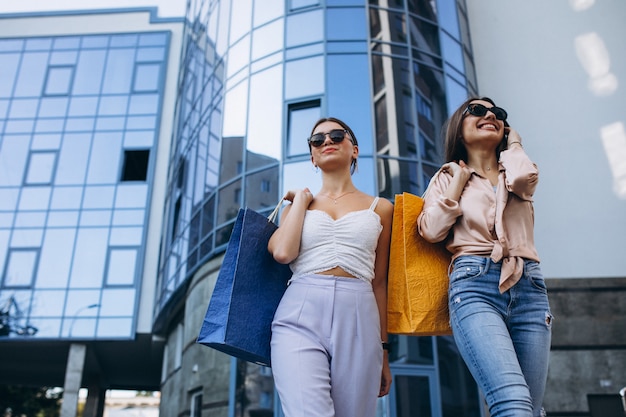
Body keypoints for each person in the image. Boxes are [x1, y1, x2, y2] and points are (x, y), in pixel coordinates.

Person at [418, 97, 553, 417]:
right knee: (513, 402)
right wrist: (458, 183)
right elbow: (431, 230)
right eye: (477, 111)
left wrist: (515, 142)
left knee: (530, 410)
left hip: (530, 286)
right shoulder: (446, 178)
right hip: (474, 284)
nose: (490, 115)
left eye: (498, 114)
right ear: (459, 130)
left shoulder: (515, 169)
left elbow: (523, 180)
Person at [268, 117, 393, 417]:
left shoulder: (382, 208)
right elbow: (284, 253)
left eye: (337, 135)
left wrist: (384, 351)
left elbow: (379, 283)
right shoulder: (297, 207)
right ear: (312, 156)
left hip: (360, 315)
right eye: (317, 140)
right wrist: (300, 201)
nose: (327, 141)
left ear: (355, 150)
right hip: (299, 312)